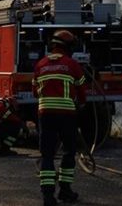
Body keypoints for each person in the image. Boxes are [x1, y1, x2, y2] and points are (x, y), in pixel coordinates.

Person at [33, 30, 86, 206]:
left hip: (45, 115)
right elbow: (81, 90)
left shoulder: (40, 65)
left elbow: (35, 92)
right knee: (69, 152)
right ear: (68, 47)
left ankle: (48, 197)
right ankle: (65, 190)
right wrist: (81, 104)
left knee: (47, 154)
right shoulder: (72, 64)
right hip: (67, 115)